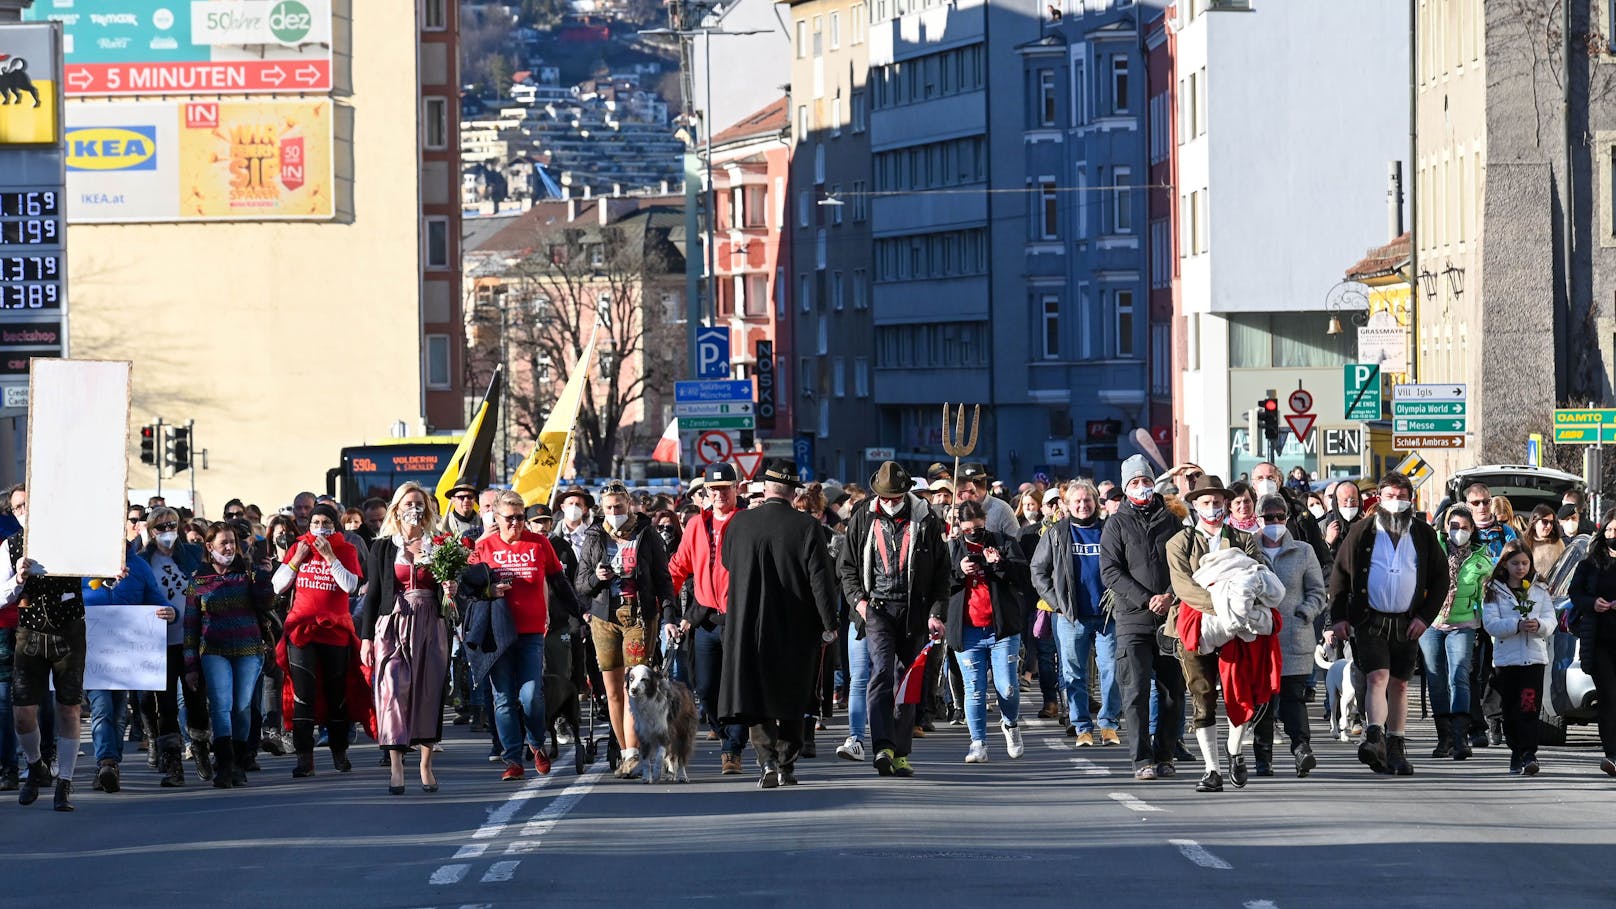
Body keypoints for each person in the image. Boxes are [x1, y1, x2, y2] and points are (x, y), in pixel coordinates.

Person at [721, 460, 842, 788]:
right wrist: (830, 622)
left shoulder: (739, 523)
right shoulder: (806, 526)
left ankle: (767, 760)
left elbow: (727, 562)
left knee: (757, 692)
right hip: (795, 623)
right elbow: (821, 579)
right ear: (792, 492)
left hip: (748, 622)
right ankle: (787, 763)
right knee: (793, 693)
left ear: (765, 488)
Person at [1328, 472, 1449, 777]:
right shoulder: (1362, 531)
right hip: (1370, 618)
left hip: (1408, 622)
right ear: (1379, 499)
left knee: (1400, 683)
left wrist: (1425, 618)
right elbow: (1340, 575)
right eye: (1391, 496)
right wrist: (1338, 617)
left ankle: (1395, 746)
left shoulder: (1422, 534)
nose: (1397, 503)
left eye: (1402, 497)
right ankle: (1373, 736)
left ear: (1411, 500)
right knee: (1377, 677)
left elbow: (1440, 580)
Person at [837, 461, 950, 779]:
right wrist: (858, 601)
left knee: (908, 680)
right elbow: (846, 566)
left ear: (905, 493)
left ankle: (901, 752)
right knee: (882, 672)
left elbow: (942, 572)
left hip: (914, 611)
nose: (888, 502)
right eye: (884, 497)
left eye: (894, 496)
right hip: (876, 609)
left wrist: (937, 614)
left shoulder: (927, 519)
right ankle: (882, 747)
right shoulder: (863, 516)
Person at [1166, 476, 1267, 793]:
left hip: (1236, 626)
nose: (1212, 508)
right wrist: (1222, 605)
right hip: (1195, 625)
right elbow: (1184, 587)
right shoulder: (1178, 543)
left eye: (1217, 502)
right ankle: (1212, 770)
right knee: (1203, 697)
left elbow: (1257, 575)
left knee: (1239, 694)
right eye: (1205, 502)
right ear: (1194, 505)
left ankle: (1235, 751)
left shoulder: (1242, 539)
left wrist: (1235, 609)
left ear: (1225, 503)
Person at [573, 482, 674, 780]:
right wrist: (597, 577)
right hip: (605, 618)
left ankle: (632, 753)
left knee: (636, 688)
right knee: (613, 689)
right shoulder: (594, 536)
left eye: (619, 507)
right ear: (601, 509)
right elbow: (580, 583)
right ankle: (625, 749)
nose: (614, 513)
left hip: (639, 616)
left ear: (628, 504)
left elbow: (663, 578)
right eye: (608, 508)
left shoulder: (646, 534)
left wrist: (668, 614)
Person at [361, 483, 455, 794]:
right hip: (393, 624)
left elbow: (450, 589)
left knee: (428, 692)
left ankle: (426, 764)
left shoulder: (439, 544)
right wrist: (366, 639)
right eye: (408, 502)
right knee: (393, 688)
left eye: (419, 503)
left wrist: (450, 588)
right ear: (397, 509)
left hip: (430, 622)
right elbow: (373, 594)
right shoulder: (384, 547)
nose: (413, 508)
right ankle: (397, 765)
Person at [2, 485, 90, 810]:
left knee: (69, 707)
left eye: (28, 504)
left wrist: (111, 576)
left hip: (69, 630)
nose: (24, 511)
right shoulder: (11, 546)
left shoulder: (69, 541)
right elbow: (1, 596)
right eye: (18, 507)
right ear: (13, 513)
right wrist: (18, 579)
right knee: (23, 713)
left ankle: (64, 782)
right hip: (30, 631)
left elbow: (98, 574)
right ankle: (35, 765)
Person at [1100, 455, 1187, 781]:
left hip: (1170, 619)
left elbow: (1184, 565)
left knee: (1171, 692)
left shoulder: (1171, 521)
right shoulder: (1116, 524)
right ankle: (1142, 760)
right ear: (1126, 488)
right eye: (1135, 483)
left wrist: (1169, 595)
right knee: (1135, 691)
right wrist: (1145, 598)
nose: (1142, 487)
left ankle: (1165, 755)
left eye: (1146, 481)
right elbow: (1110, 571)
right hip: (1133, 619)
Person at [666, 463, 749, 775]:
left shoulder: (745, 522)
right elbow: (678, 567)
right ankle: (724, 732)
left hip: (738, 618)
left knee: (736, 685)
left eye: (725, 488)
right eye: (713, 489)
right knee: (706, 686)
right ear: (705, 493)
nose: (719, 494)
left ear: (737, 489)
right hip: (706, 619)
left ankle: (733, 748)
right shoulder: (696, 525)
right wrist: (666, 606)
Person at [273, 503, 367, 778]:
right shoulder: (299, 547)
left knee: (336, 693)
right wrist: (295, 560)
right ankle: (305, 759)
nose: (320, 527)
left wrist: (330, 558)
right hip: (301, 630)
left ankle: (340, 753)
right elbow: (278, 586)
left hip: (335, 630)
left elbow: (351, 586)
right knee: (304, 695)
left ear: (335, 525)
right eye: (315, 522)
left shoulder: (346, 549)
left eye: (326, 522)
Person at [1030, 480, 1120, 747]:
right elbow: (1038, 570)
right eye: (1077, 501)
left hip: (1107, 616)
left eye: (1087, 500)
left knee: (1111, 670)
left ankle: (1109, 724)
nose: (1083, 505)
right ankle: (1082, 726)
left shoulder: (1109, 531)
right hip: (1071, 616)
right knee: (1073, 674)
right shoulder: (1057, 533)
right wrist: (1057, 603)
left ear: (1096, 502)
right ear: (1067, 505)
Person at [185, 522, 273, 789]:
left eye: (232, 542)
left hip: (248, 649)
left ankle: (239, 762)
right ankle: (224, 764)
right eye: (223, 543)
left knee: (242, 707)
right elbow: (190, 625)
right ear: (209, 547)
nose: (229, 548)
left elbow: (267, 603)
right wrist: (190, 665)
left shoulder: (249, 574)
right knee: (221, 706)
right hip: (214, 650)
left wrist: (264, 577)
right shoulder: (198, 580)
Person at [938, 501, 1027, 763]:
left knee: (1007, 686)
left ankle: (1010, 724)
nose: (973, 534)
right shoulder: (953, 547)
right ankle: (978, 742)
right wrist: (959, 571)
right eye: (967, 530)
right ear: (959, 527)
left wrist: (999, 563)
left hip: (1001, 629)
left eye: (977, 528)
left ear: (985, 521)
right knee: (974, 689)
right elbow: (940, 583)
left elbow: (1022, 576)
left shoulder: (1003, 541)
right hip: (968, 630)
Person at [1250, 494, 1327, 777]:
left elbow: (1318, 591)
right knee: (1263, 700)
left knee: (1294, 697)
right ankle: (1263, 758)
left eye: (1280, 516)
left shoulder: (1304, 551)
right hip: (1260, 637)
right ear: (1258, 519)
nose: (1275, 522)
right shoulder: (1247, 550)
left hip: (1295, 637)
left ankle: (1301, 749)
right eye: (1269, 517)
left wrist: (1305, 612)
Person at [84, 547, 166, 794]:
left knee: (119, 711)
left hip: (126, 655)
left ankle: (110, 766)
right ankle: (106, 762)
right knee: (101, 707)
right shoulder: (83, 563)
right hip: (94, 650)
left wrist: (168, 612)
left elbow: (156, 598)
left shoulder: (138, 566)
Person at [138, 506, 207, 788]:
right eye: (161, 527)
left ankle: (202, 750)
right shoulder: (144, 560)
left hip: (191, 640)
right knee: (165, 706)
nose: (167, 531)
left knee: (196, 701)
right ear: (151, 531)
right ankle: (173, 764)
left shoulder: (191, 553)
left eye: (172, 525)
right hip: (159, 642)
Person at [1421, 506, 1490, 761]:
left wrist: (1488, 624)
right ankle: (1444, 738)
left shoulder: (1482, 559)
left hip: (1464, 625)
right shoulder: (1433, 550)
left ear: (1472, 530)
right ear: (1445, 527)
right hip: (1431, 622)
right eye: (1453, 526)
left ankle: (1461, 737)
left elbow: (1488, 594)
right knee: (1436, 679)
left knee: (1459, 676)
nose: (1458, 531)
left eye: (1463, 527)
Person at [1479, 541, 1554, 775]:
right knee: (1511, 710)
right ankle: (1516, 752)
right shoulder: (1494, 590)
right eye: (1515, 563)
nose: (1520, 568)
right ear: (1505, 564)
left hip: (1533, 659)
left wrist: (1538, 625)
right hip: (1507, 660)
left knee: (1529, 708)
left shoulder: (1539, 589)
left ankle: (1529, 753)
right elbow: (1491, 623)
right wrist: (1516, 625)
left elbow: (1550, 619)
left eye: (1524, 563)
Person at [1568, 508, 1616, 776]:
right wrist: (1592, 603)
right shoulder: (1590, 563)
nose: (1611, 536)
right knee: (1609, 696)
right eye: (1608, 530)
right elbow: (1575, 594)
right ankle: (1612, 754)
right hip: (1598, 640)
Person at [1319, 481, 1364, 562]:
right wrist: (1328, 542)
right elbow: (1316, 560)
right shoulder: (1323, 526)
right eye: (1345, 500)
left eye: (1353, 500)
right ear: (1336, 502)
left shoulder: (1367, 525)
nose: (1349, 505)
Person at [1525, 504, 1566, 580]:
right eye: (1545, 522)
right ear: (1534, 523)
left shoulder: (1558, 543)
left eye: (1551, 522)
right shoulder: (1524, 542)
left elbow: (1564, 568)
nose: (1549, 526)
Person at [441, 483, 483, 548]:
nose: (466, 500)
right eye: (461, 497)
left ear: (474, 499)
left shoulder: (483, 520)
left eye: (470, 497)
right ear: (453, 500)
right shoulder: (444, 523)